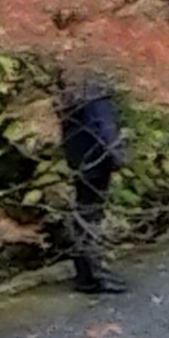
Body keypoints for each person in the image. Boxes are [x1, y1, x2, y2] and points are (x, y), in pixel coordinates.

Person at [54, 67, 127, 296]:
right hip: (95, 155)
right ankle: (91, 276)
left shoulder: (70, 84)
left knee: (86, 211)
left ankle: (89, 272)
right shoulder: (90, 82)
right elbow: (103, 121)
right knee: (89, 213)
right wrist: (117, 155)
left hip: (79, 154)